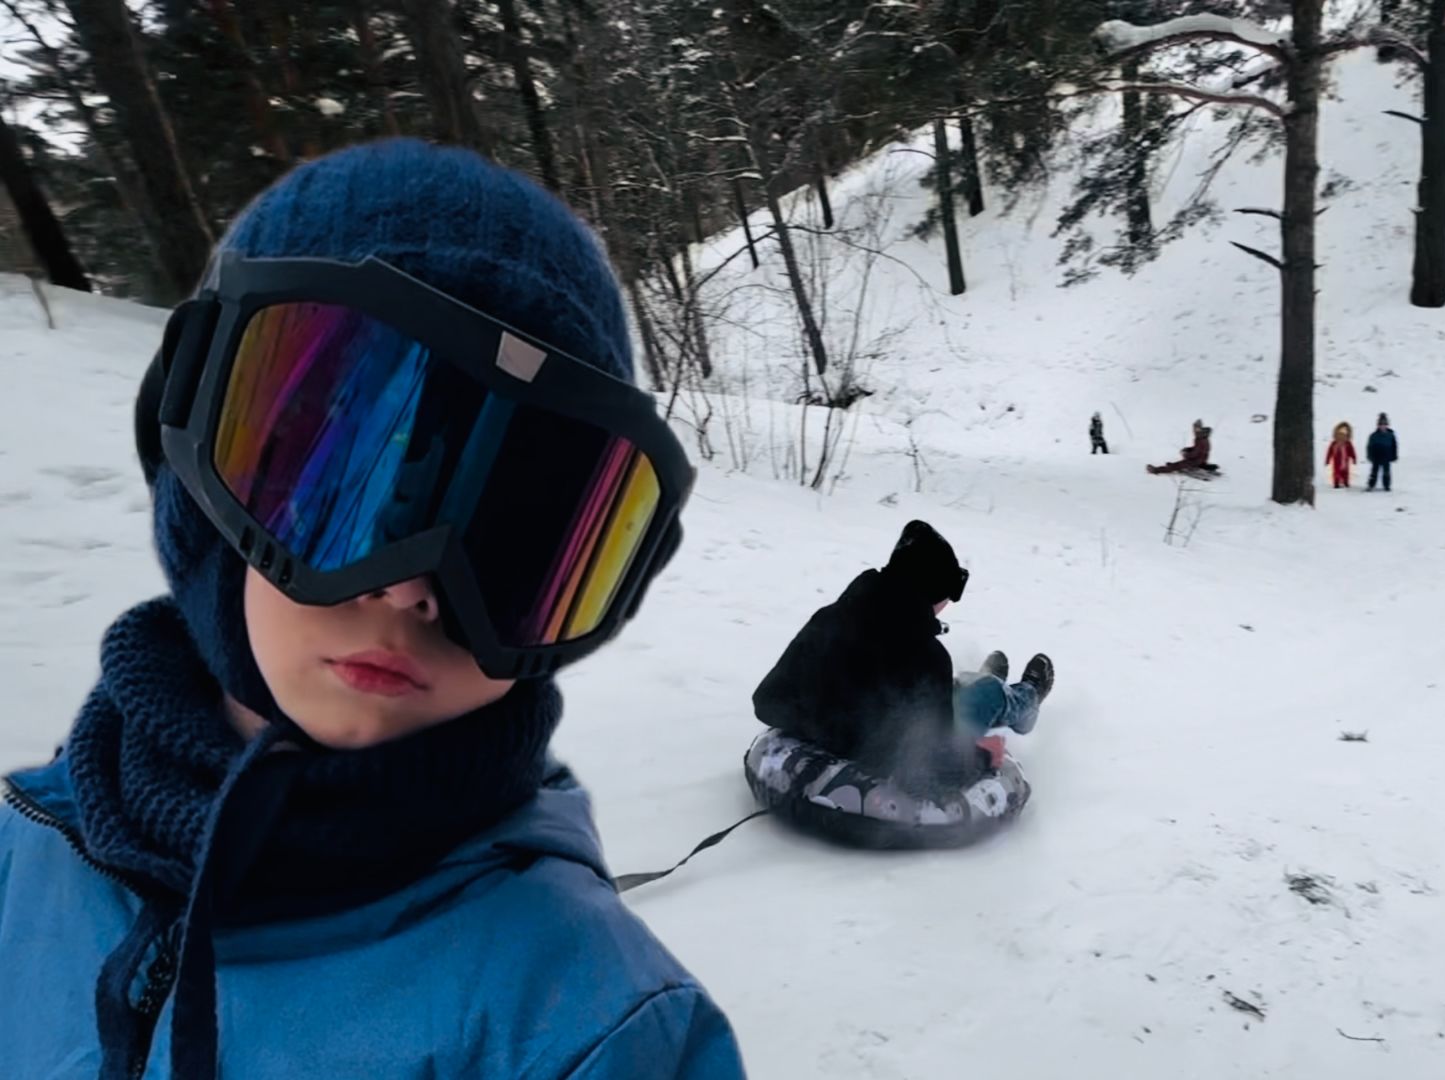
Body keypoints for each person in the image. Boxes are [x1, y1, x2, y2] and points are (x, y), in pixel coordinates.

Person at [0, 140, 743, 1079]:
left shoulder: (587, 1029)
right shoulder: (24, 854)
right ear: (198, 470)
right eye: (340, 487)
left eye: (509, 539)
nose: (414, 589)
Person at [752, 520, 1053, 793]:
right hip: (892, 751)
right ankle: (1026, 698)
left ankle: (983, 682)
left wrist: (824, 727)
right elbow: (934, 769)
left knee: (952, 688)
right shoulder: (927, 656)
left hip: (863, 729)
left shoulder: (829, 619)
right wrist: (984, 755)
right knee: (987, 694)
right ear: (933, 592)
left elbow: (766, 701)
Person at [1148, 419, 1214, 475]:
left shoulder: (1201, 439)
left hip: (1196, 461)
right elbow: (1197, 449)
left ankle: (1156, 470)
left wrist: (1186, 454)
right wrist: (1188, 449)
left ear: (1200, 428)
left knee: (1177, 466)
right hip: (1200, 460)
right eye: (1194, 428)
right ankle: (1176, 465)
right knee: (1182, 461)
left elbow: (1195, 454)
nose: (1194, 430)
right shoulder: (1202, 437)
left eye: (1196, 428)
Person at [1367, 412, 1399, 492]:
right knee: (1374, 471)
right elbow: (1370, 447)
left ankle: (1387, 485)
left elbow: (1394, 446)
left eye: (1384, 425)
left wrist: (1394, 455)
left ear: (1387, 425)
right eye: (1381, 425)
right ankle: (1371, 485)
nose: (1383, 426)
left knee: (1386, 472)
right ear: (1378, 425)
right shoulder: (1374, 435)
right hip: (1376, 456)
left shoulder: (1390, 435)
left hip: (1386, 456)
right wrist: (1370, 456)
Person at [1325, 421, 1358, 489]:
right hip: (1336, 462)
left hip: (1345, 461)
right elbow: (1329, 452)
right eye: (1340, 434)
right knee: (1336, 472)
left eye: (1344, 435)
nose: (1342, 437)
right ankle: (1336, 482)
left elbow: (1352, 451)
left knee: (1345, 472)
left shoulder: (1348, 444)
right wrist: (1327, 460)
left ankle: (1345, 482)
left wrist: (1354, 458)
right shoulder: (1334, 443)